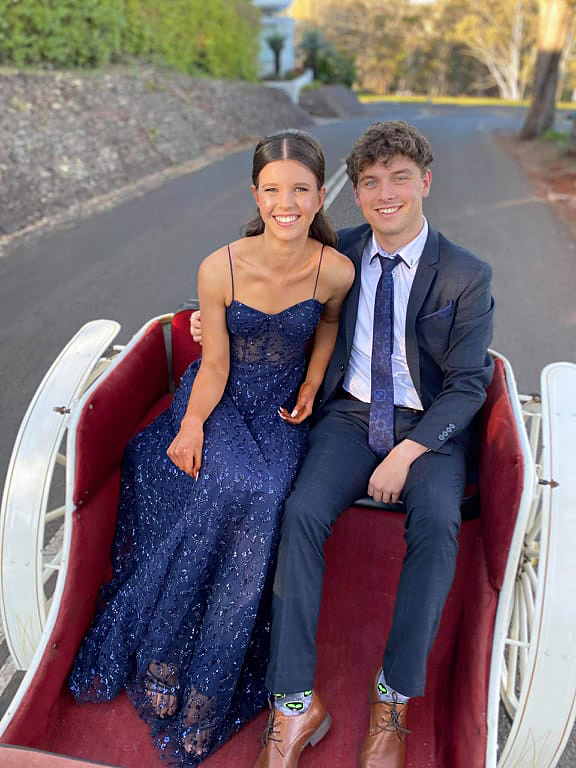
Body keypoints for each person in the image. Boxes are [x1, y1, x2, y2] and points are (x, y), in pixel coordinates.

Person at [190, 120, 494, 768]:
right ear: (356, 193)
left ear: (425, 183)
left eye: (399, 179)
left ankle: (393, 696)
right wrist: (206, 317)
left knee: (438, 521)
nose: (386, 193)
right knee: (299, 512)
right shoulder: (340, 256)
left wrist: (409, 453)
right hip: (350, 418)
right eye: (370, 182)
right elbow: (261, 273)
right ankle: (294, 702)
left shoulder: (466, 274)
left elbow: (470, 384)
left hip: (428, 429)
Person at [68, 129, 354, 766]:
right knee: (230, 481)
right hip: (221, 399)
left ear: (318, 196)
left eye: (300, 190)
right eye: (273, 189)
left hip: (282, 411)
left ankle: (206, 683)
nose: (287, 202)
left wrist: (310, 382)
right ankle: (165, 656)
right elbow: (216, 363)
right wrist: (192, 424)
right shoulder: (220, 265)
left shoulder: (334, 270)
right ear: (256, 194)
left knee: (271, 492)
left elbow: (330, 325)